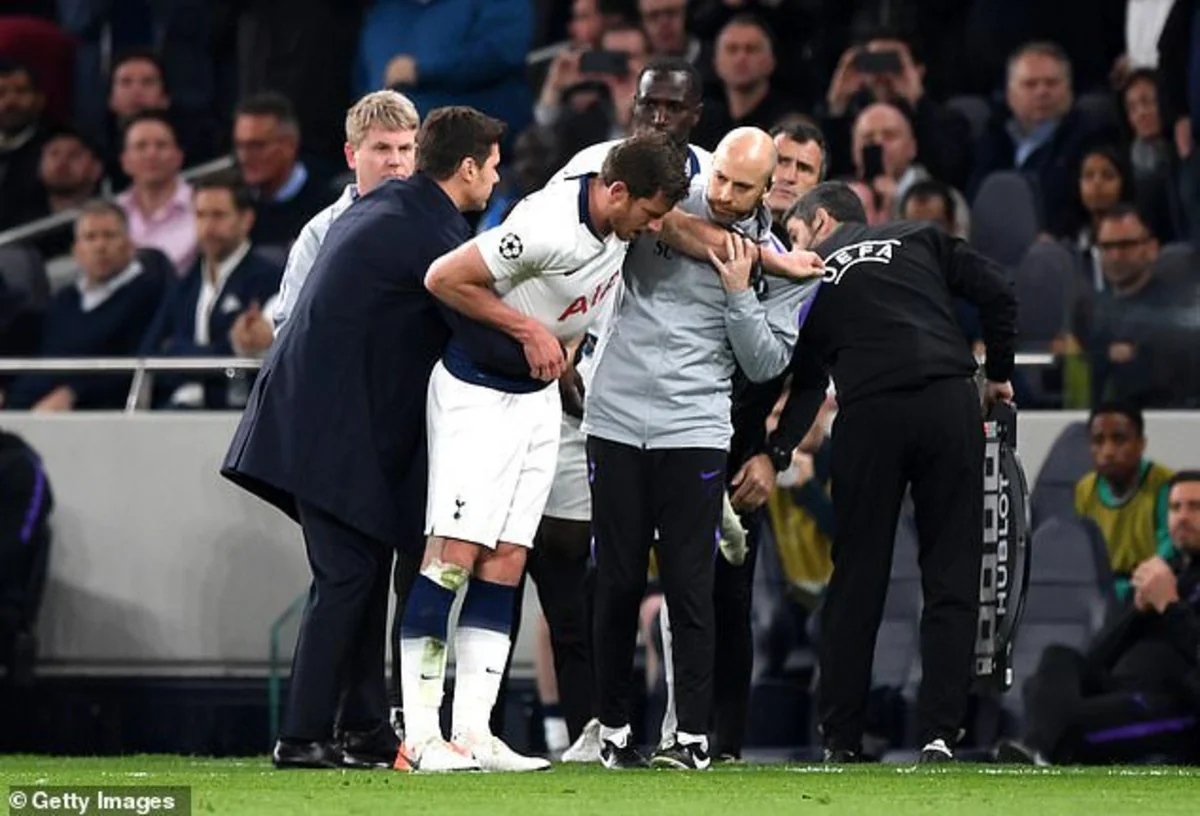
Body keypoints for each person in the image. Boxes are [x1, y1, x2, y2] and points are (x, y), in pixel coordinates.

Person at [220, 106, 528, 771]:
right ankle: (302, 736)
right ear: (466, 168)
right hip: (327, 430)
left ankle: (363, 728)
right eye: (492, 166)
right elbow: (472, 333)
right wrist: (539, 354)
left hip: (324, 424)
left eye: (404, 147)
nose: (496, 179)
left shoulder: (391, 211)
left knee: (358, 573)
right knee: (347, 576)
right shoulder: (428, 230)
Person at [397, 131, 691, 772]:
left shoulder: (618, 228)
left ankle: (473, 733)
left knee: (506, 560)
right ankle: (419, 737)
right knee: (452, 558)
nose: (656, 226)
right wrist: (528, 329)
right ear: (618, 191)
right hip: (477, 394)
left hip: (535, 402)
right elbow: (444, 277)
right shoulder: (546, 226)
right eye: (650, 212)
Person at [583, 127, 823, 771]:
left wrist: (742, 292)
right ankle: (612, 729)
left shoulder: (786, 266)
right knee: (616, 581)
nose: (723, 193)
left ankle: (690, 736)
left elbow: (767, 362)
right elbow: (627, 219)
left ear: (767, 190)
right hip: (614, 415)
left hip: (695, 426)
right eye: (719, 176)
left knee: (691, 586)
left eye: (742, 186)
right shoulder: (664, 204)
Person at [776, 181, 1018, 763]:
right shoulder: (919, 236)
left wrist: (777, 450)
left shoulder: (809, 271)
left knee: (856, 581)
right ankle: (939, 736)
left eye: (794, 234)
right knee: (951, 573)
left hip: (868, 413)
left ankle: (840, 739)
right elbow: (999, 289)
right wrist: (999, 374)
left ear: (821, 221)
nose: (793, 248)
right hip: (948, 401)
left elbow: (806, 384)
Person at [997, 471, 1200, 765]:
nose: (1183, 517)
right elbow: (1097, 657)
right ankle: (1039, 748)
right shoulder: (1166, 574)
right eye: (1175, 507)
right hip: (1118, 688)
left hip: (1173, 703)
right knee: (1058, 659)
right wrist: (1137, 611)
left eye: (1195, 507)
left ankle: (1038, 748)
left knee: (1063, 718)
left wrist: (1169, 605)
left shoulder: (1168, 589)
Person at [272, 90, 419, 333]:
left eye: (404, 149)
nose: (395, 161)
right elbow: (288, 329)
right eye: (382, 148)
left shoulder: (434, 226)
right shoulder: (319, 233)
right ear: (351, 155)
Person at [1076, 401, 1176, 602]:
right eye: (1098, 441)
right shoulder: (1085, 488)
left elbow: (1170, 547)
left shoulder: (1165, 483)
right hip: (1098, 594)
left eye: (1119, 439)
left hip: (1150, 592)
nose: (1108, 451)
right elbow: (1083, 553)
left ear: (1141, 444)